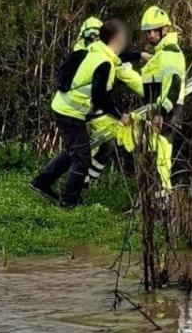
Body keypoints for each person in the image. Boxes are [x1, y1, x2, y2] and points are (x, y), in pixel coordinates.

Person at [31, 19, 133, 207]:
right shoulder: (104, 62)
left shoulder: (97, 51)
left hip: (65, 108)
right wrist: (121, 116)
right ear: (117, 39)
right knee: (82, 158)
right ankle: (69, 202)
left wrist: (137, 55)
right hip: (71, 112)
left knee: (73, 152)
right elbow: (100, 97)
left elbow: (120, 59)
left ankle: (41, 182)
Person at [139, 6, 187, 199]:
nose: (150, 35)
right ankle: (156, 203)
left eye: (154, 30)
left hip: (166, 115)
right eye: (148, 31)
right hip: (160, 115)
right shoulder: (162, 53)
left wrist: (160, 113)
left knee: (160, 161)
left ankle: (162, 204)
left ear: (164, 29)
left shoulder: (170, 52)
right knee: (157, 160)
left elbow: (174, 85)